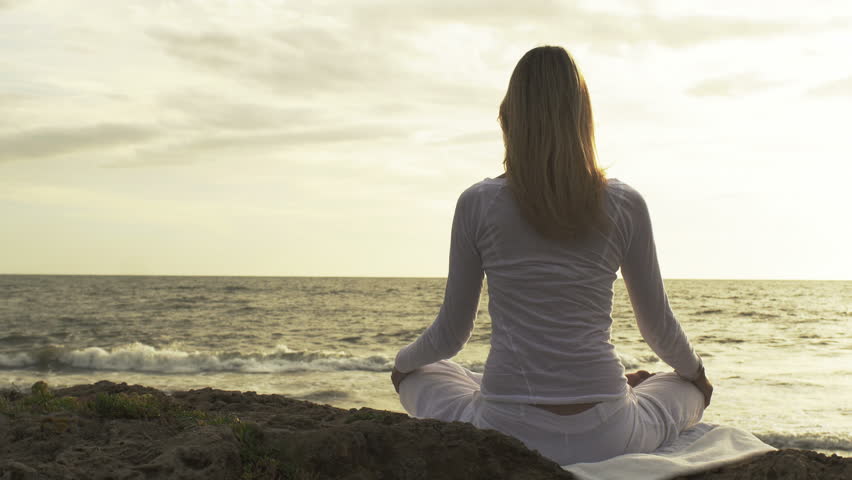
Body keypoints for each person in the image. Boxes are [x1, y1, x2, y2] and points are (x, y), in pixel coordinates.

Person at [390, 45, 713, 466]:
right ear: (583, 118)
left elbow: (451, 335)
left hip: (505, 431)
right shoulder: (624, 202)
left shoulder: (478, 203)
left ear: (510, 118)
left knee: (423, 373)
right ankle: (632, 390)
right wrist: (698, 377)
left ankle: (491, 387)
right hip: (609, 432)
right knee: (679, 385)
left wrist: (400, 365)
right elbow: (658, 330)